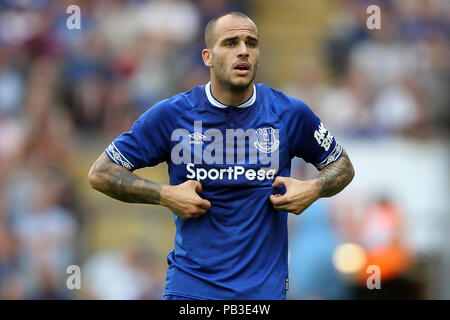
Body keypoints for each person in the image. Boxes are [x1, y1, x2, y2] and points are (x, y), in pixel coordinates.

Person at [88, 12, 355, 300]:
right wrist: (164, 194)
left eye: (251, 43)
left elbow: (343, 165)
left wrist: (314, 188)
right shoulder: (173, 115)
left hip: (262, 294)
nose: (243, 50)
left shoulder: (288, 113)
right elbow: (101, 173)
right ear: (208, 57)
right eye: (230, 43)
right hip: (191, 291)